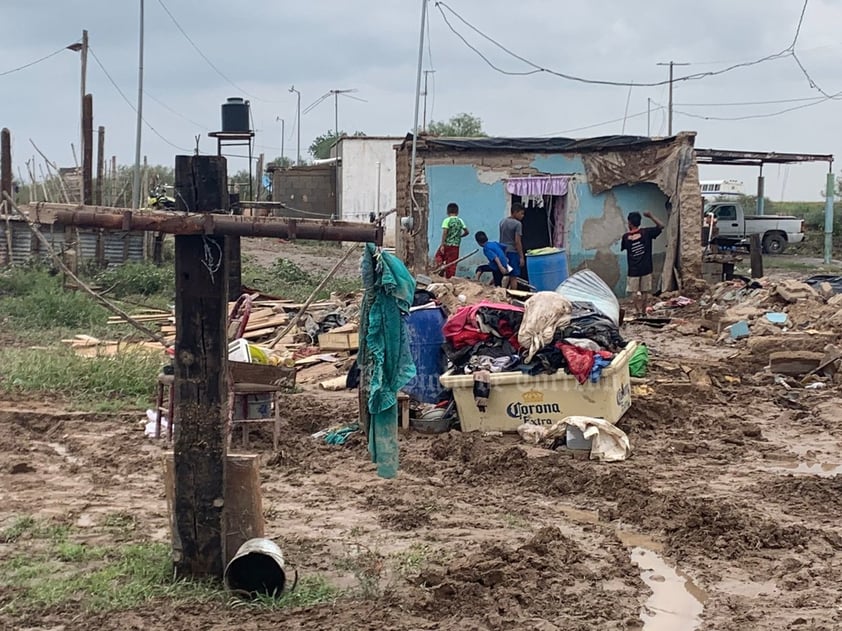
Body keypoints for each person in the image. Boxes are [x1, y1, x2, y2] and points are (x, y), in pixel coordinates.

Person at [620, 209, 665, 318]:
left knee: (634, 292)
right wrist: (651, 216)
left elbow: (625, 248)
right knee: (645, 291)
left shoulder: (626, 237)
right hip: (646, 267)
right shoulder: (646, 233)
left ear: (629, 223)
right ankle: (644, 312)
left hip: (633, 269)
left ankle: (637, 312)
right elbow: (661, 226)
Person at [435, 202, 469, 278]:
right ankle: (450, 279)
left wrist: (442, 244)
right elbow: (467, 232)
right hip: (455, 246)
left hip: (447, 244)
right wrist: (459, 236)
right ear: (457, 212)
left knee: (438, 256)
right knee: (452, 264)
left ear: (447, 212)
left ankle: (441, 267)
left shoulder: (447, 220)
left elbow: (445, 232)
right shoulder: (460, 221)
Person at [498, 203, 525, 289]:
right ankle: (513, 295)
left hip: (502, 251)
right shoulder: (517, 224)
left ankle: (501, 292)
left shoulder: (502, 221)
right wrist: (521, 257)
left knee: (503, 273)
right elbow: (517, 241)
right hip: (512, 252)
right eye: (521, 213)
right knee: (513, 276)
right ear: (515, 212)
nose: (522, 216)